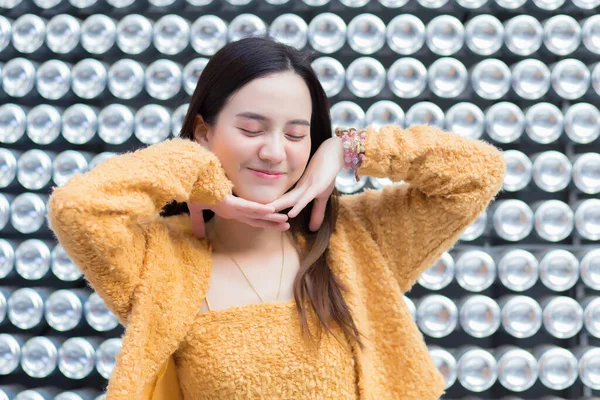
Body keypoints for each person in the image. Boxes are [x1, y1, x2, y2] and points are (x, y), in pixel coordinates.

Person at [46, 36, 507, 399]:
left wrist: (348, 149)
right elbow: (78, 207)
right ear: (204, 133)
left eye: (297, 134)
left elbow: (477, 173)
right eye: (251, 129)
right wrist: (199, 177)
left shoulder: (360, 236)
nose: (273, 151)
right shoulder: (158, 258)